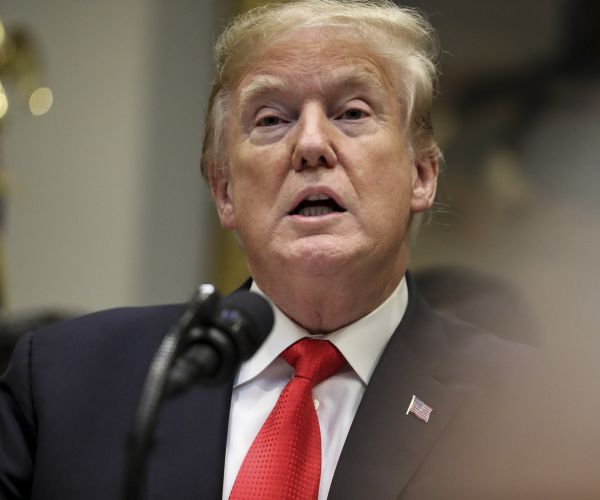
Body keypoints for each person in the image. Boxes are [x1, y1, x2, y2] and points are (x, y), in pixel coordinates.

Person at [1, 1, 599, 499]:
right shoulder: (65, 383)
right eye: (270, 119)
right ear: (224, 189)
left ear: (422, 174)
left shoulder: (542, 419)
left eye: (353, 112)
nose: (311, 144)